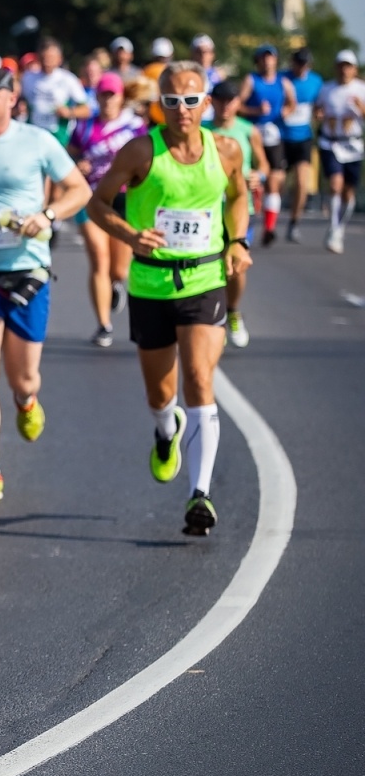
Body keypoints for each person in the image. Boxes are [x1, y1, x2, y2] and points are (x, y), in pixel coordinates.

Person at [87, 61, 251, 537]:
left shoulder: (226, 150)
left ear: (207, 103)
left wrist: (238, 241)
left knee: (199, 377)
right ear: (160, 105)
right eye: (172, 101)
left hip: (204, 279)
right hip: (151, 284)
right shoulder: (141, 151)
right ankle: (165, 429)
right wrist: (130, 235)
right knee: (161, 395)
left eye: (191, 100)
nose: (182, 109)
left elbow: (238, 197)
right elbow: (97, 203)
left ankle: (199, 493)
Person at [0, 67, 92, 504]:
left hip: (28, 269)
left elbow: (79, 190)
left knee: (23, 377)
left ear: (12, 99)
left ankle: (26, 400)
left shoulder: (37, 141)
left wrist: (47, 216)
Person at [68, 72, 147, 346]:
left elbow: (146, 159)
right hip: (92, 198)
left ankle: (115, 285)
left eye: (113, 95)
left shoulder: (134, 127)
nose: (108, 100)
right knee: (98, 259)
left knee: (119, 270)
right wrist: (78, 166)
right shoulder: (84, 128)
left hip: (124, 198)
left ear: (121, 97)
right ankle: (104, 324)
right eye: (103, 95)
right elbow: (69, 156)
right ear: (97, 97)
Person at [207, 80, 267, 348]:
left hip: (241, 207)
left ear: (237, 103)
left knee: (236, 265)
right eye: (220, 100)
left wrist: (258, 175)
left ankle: (232, 310)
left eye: (230, 100)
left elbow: (263, 164)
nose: (225, 106)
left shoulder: (248, 130)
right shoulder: (201, 130)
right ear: (211, 102)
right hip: (208, 208)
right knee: (211, 266)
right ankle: (214, 319)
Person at [239, 44, 296, 246]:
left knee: (275, 180)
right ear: (257, 61)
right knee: (251, 178)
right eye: (263, 58)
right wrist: (255, 111)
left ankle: (269, 227)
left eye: (270, 57)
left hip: (274, 135)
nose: (267, 61)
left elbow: (292, 102)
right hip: (253, 133)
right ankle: (248, 220)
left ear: (276, 60)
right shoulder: (251, 80)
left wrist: (285, 112)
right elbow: (237, 105)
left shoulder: (283, 82)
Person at [317, 49, 365, 254]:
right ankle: (334, 229)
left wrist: (361, 108)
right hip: (331, 143)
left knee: (348, 191)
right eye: (341, 66)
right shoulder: (327, 89)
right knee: (335, 184)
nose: (344, 70)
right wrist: (319, 114)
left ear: (354, 69)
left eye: (348, 66)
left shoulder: (361, 89)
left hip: (353, 145)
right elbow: (317, 110)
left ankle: (340, 226)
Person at [278, 47, 324, 242]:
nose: (301, 67)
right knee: (277, 182)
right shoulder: (282, 79)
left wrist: (319, 113)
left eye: (305, 64)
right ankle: (270, 219)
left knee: (302, 182)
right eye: (298, 63)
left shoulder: (316, 81)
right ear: (292, 63)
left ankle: (294, 223)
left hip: (303, 138)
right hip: (281, 136)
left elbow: (320, 105)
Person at [20, 37, 90, 145]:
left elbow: (86, 110)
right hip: (33, 134)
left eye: (51, 58)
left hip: (58, 136)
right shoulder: (28, 77)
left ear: (59, 59)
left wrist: (69, 112)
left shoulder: (68, 79)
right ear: (38, 57)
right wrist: (21, 106)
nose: (47, 62)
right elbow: (20, 101)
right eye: (44, 57)